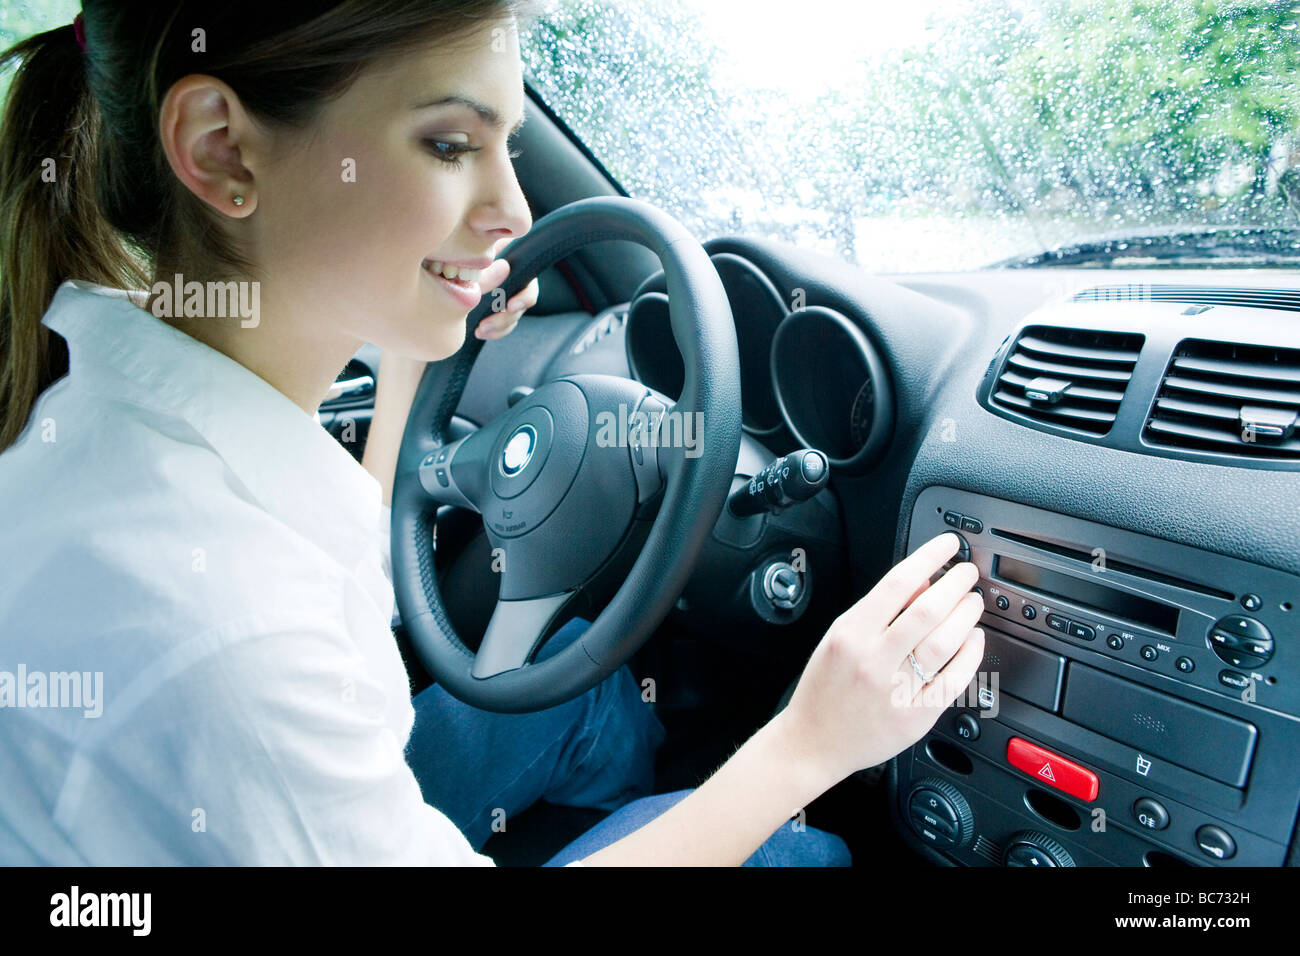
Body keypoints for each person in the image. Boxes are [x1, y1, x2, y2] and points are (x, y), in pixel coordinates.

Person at [0, 1, 985, 866]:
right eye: (446, 143)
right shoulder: (223, 634)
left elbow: (338, 587)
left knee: (563, 676)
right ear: (222, 147)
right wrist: (808, 744)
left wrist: (411, 362)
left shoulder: (133, 415)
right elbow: (267, 646)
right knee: (798, 848)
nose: (513, 210)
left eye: (505, 144)